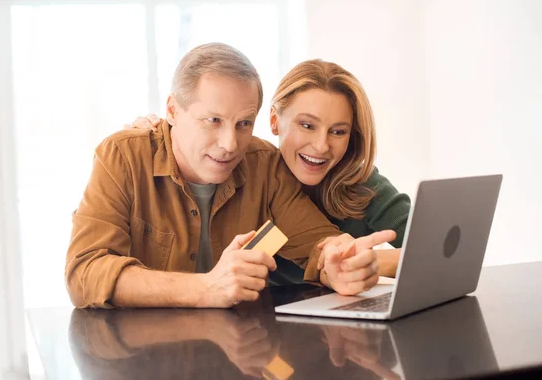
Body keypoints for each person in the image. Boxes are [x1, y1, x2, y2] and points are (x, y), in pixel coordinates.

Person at [66, 43, 395, 309]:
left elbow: (318, 242)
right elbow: (85, 273)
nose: (230, 145)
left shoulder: (265, 165)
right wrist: (206, 288)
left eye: (244, 124)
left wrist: (338, 263)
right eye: (212, 120)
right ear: (172, 110)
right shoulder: (122, 156)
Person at [128, 59, 410, 285]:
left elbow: (437, 249)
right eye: (307, 125)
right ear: (274, 120)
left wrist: (370, 261)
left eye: (338, 131)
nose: (322, 145)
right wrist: (164, 137)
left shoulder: (360, 183)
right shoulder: (250, 178)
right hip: (270, 330)